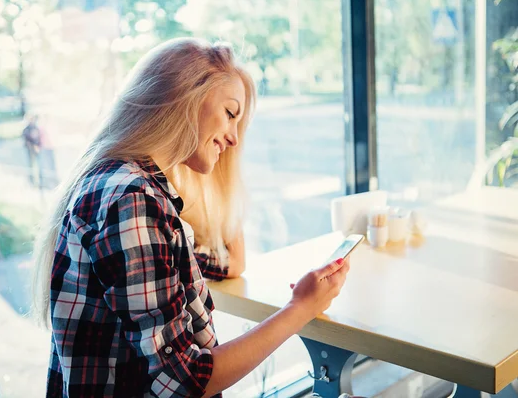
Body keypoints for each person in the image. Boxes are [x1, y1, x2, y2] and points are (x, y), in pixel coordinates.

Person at [32, 37, 350, 398]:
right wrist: (300, 308)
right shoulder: (133, 203)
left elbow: (230, 263)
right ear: (185, 98)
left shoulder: (133, 186)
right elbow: (186, 381)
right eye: (230, 114)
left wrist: (220, 178)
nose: (233, 139)